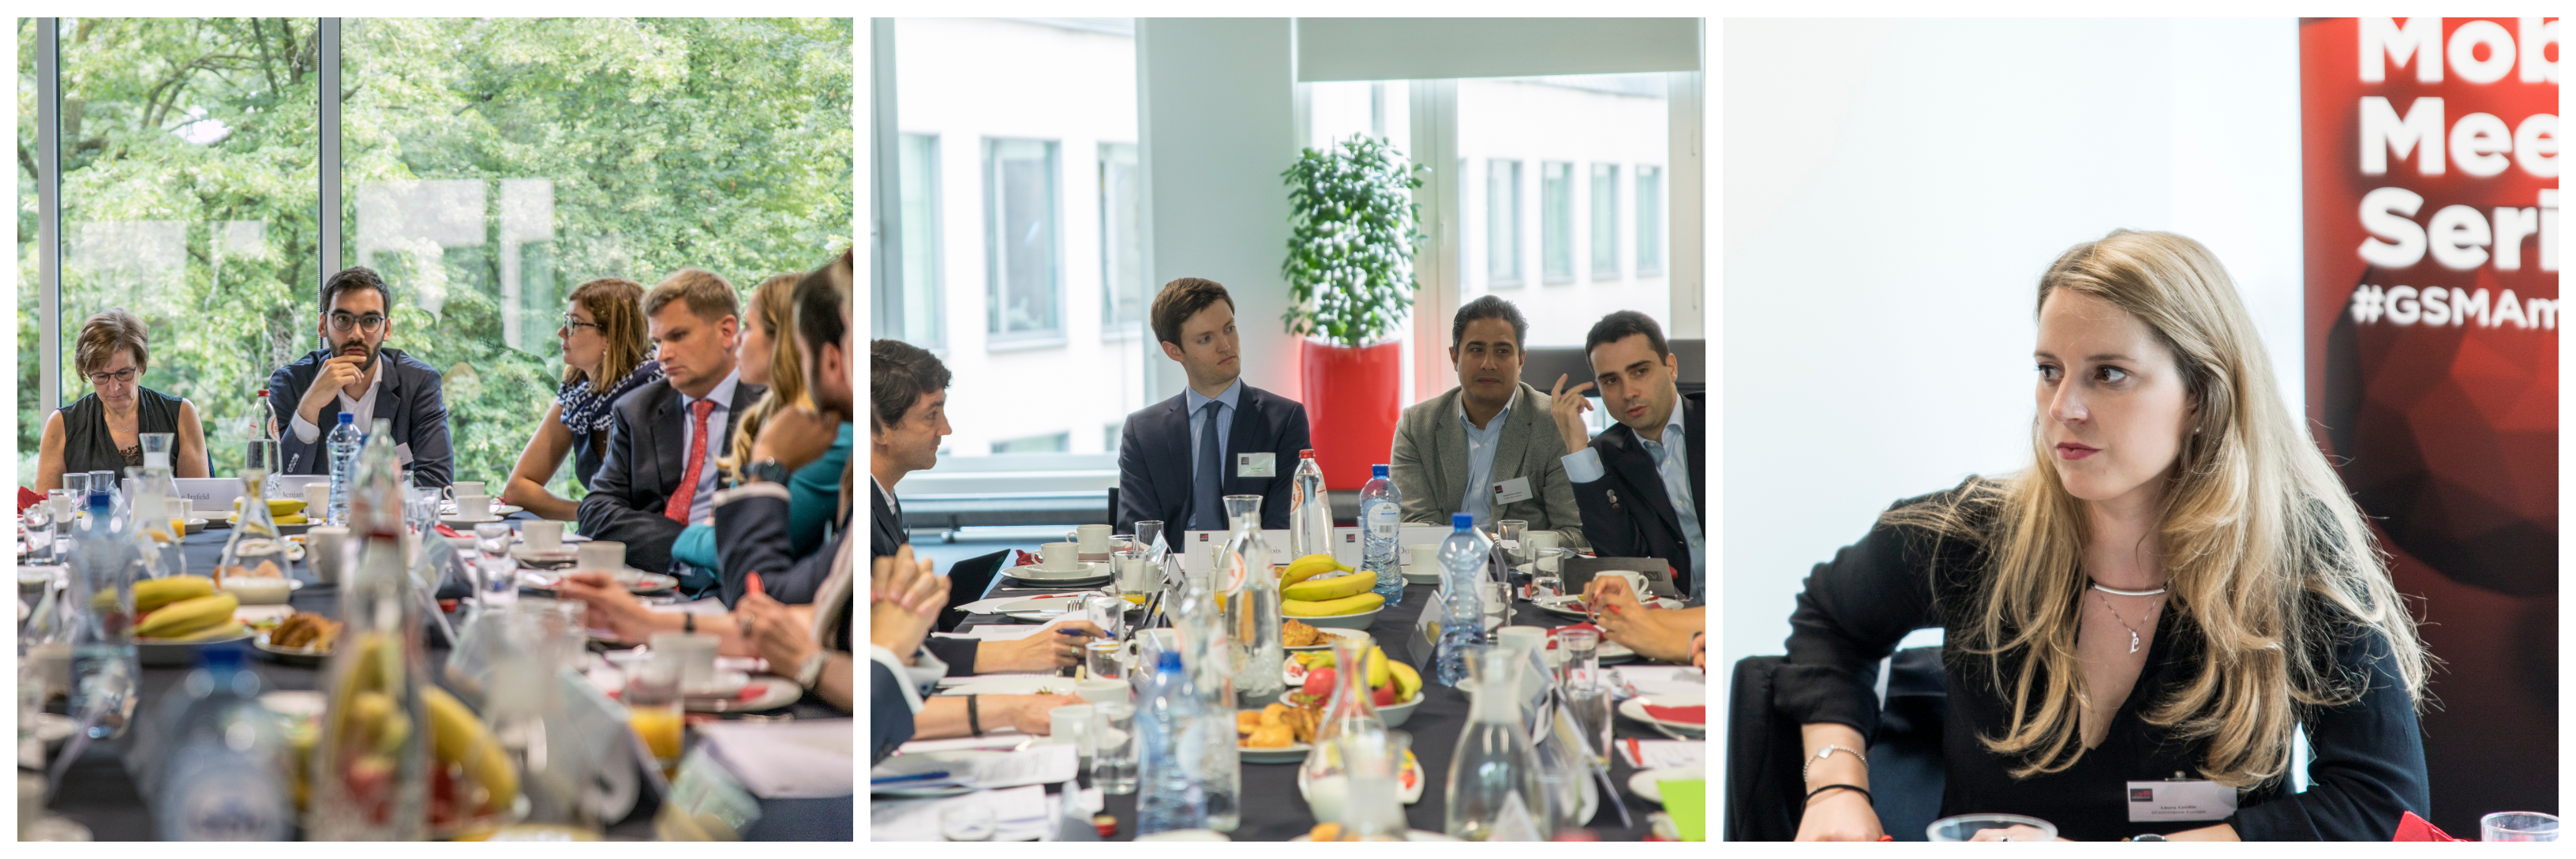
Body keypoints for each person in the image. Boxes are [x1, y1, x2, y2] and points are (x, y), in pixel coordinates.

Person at [1782, 231, 2431, 842]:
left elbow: (2380, 800)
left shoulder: (2292, 556)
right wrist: (1835, 783)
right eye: (2049, 370)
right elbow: (1830, 621)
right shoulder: (1970, 534)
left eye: (2109, 374)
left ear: (2204, 395)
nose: (2064, 406)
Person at [868, 336, 1102, 675]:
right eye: (931, 415)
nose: (945, 429)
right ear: (878, 429)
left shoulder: (884, 497)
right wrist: (1019, 652)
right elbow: (883, 647)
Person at [576, 268, 766, 574]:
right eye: (658, 340)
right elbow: (596, 510)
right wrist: (690, 544)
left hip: (735, 588)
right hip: (650, 580)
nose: (663, 354)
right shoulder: (637, 409)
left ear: (727, 331)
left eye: (678, 336)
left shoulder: (771, 408)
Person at [668, 274, 848, 576]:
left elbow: (734, 550)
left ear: (784, 341)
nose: (737, 339)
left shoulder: (831, 438)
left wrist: (685, 536)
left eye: (749, 327)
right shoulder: (771, 417)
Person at [1115, 277, 1313, 535]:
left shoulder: (1283, 421)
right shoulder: (1143, 432)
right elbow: (1137, 538)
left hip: (1254, 568)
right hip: (1172, 572)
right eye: (1206, 339)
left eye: (1229, 328)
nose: (1226, 346)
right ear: (1174, 351)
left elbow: (1285, 529)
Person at [1390, 294, 1586, 543]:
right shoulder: (1416, 427)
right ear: (1454, 357)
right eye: (1476, 350)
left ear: (1521, 360)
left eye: (1502, 351)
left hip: (1524, 573)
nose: (1488, 364)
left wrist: (1493, 543)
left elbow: (1576, 533)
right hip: (1442, 570)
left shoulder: (1553, 424)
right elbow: (1414, 527)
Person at [1548, 310, 1705, 604]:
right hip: (1670, 622)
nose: (1628, 392)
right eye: (1610, 381)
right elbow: (1620, 561)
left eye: (1640, 372)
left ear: (1671, 367)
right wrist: (1578, 449)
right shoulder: (1604, 456)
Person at [268, 266, 455, 486]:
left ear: (386, 329)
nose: (356, 334)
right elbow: (273, 484)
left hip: (386, 521)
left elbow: (436, 484)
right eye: (343, 319)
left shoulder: (419, 383)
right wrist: (309, 407)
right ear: (322, 325)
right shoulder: (289, 383)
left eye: (370, 321)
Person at [499, 278, 663, 522]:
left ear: (610, 336)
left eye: (574, 324)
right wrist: (589, 512)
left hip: (651, 539)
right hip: (606, 533)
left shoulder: (655, 391)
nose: (561, 332)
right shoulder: (579, 393)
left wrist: (597, 516)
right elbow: (518, 490)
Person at [36, 309, 212, 492]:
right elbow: (46, 508)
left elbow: (198, 503)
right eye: (101, 376)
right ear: (88, 373)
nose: (114, 387)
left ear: (141, 364)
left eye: (124, 373)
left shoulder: (181, 414)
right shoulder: (62, 424)